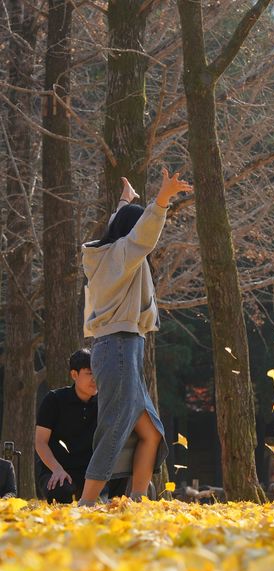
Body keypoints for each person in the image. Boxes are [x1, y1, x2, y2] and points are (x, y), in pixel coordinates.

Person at [79, 170, 192, 506]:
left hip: (122, 348)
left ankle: (137, 500)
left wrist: (125, 201)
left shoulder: (110, 254)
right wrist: (162, 198)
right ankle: (87, 501)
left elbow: (124, 226)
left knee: (150, 432)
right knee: (115, 425)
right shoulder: (123, 256)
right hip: (119, 347)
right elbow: (143, 234)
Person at [35, 349, 127, 503]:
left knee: (121, 469)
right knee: (60, 492)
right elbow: (40, 442)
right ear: (74, 375)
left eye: (98, 373)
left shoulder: (105, 402)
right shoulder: (54, 400)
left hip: (93, 471)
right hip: (59, 469)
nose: (95, 379)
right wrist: (57, 469)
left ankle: (111, 505)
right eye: (90, 373)